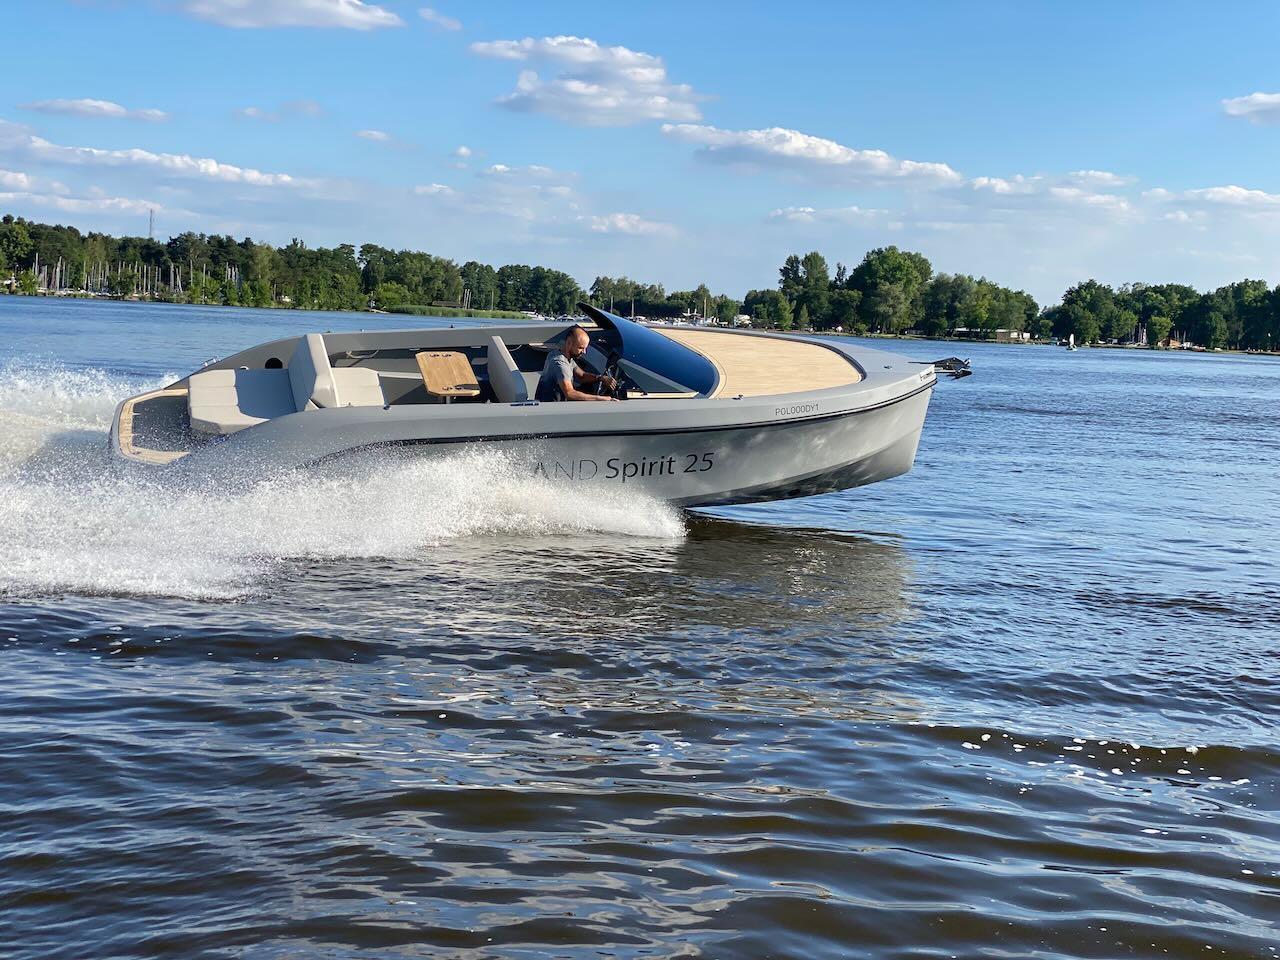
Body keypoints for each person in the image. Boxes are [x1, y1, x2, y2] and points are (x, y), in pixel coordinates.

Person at [535, 326, 617, 401]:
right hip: (551, 408)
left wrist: (601, 378)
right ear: (569, 343)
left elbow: (582, 376)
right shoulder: (560, 364)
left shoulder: (563, 356)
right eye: (581, 348)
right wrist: (602, 399)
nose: (584, 352)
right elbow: (570, 394)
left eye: (585, 348)